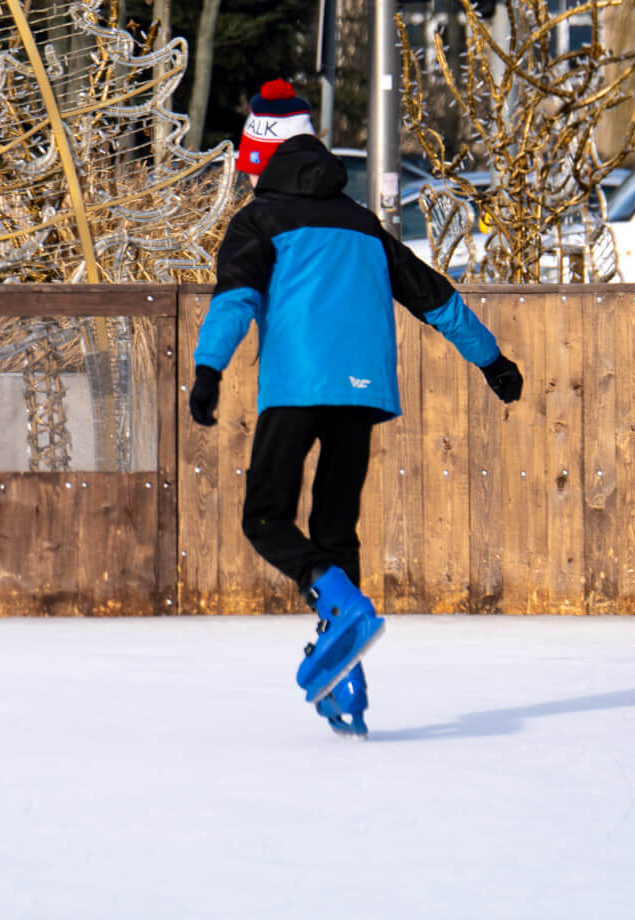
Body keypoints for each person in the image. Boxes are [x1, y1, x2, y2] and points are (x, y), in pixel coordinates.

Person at [188, 124, 523, 738]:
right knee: (335, 531)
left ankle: (339, 607)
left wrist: (208, 371)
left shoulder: (259, 219)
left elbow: (235, 298)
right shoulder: (366, 226)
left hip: (296, 388)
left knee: (265, 519)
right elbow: (437, 300)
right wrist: (492, 362)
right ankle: (348, 679)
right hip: (363, 392)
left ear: (271, 177)